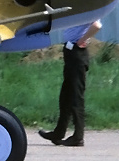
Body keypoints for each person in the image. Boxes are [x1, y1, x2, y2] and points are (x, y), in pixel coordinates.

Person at [39, 19, 102, 147]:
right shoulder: (81, 8)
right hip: (71, 52)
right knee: (66, 96)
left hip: (77, 52)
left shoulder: (89, 7)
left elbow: (97, 25)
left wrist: (82, 40)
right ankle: (59, 132)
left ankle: (78, 137)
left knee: (76, 98)